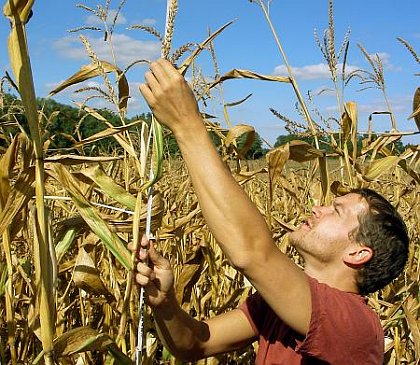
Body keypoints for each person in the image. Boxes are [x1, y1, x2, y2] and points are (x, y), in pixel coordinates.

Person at [130, 58, 409, 364]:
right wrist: (165, 303)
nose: (318, 208)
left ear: (358, 253)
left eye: (337, 211)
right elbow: (194, 344)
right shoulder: (274, 306)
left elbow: (253, 253)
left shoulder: (355, 324)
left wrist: (187, 123)